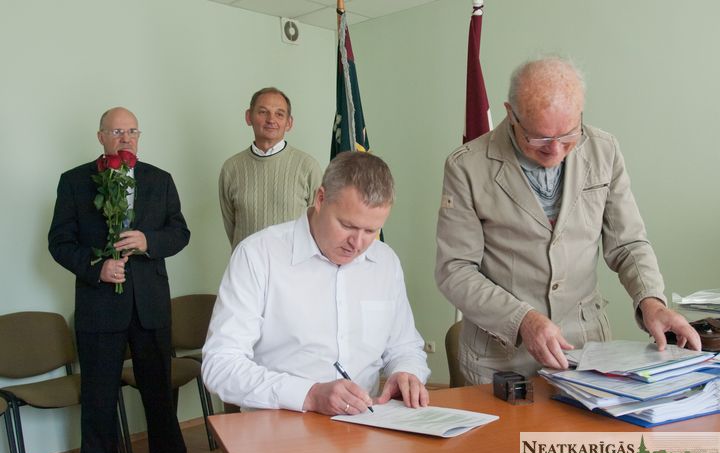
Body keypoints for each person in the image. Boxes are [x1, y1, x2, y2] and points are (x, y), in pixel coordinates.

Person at [435, 56, 701, 384]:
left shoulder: (604, 151)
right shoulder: (467, 166)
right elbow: (455, 270)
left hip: (587, 349)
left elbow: (628, 244)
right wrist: (522, 319)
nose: (556, 150)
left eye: (568, 135)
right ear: (511, 114)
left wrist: (652, 302)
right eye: (539, 138)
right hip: (501, 357)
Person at [203, 151, 430, 415]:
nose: (357, 244)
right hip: (278, 425)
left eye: (371, 231)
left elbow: (404, 346)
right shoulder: (258, 255)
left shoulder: (385, 262)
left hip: (363, 423)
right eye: (347, 225)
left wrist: (406, 372)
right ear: (320, 199)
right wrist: (308, 395)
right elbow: (220, 365)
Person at [48, 107, 189, 453]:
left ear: (138, 136)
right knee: (98, 405)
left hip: (150, 310)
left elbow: (180, 233)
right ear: (101, 137)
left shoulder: (160, 180)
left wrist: (148, 241)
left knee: (160, 401)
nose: (125, 138)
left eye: (132, 131)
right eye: (116, 132)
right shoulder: (74, 182)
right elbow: (59, 242)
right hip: (98, 311)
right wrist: (97, 269)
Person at [219, 86, 323, 250]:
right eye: (263, 112)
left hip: (294, 264)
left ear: (289, 123)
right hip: (246, 263)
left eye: (279, 114)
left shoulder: (308, 167)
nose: (271, 120)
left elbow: (318, 223)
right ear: (249, 117)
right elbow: (231, 225)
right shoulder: (231, 168)